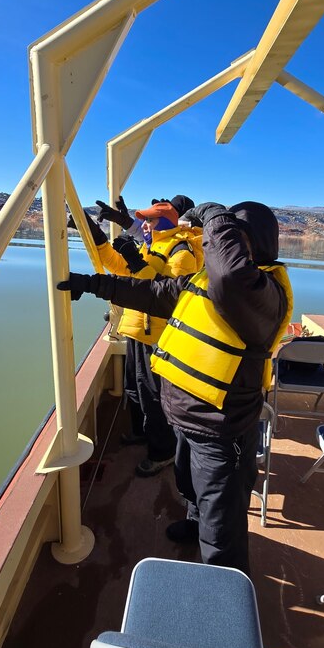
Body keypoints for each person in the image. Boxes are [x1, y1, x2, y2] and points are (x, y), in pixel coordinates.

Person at [58, 201, 293, 574]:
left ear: (253, 244)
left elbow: (231, 275)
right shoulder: (206, 282)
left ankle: (224, 604)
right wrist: (94, 285)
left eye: (230, 237)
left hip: (222, 430)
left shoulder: (261, 293)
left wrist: (216, 215)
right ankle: (193, 522)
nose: (216, 246)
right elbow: (154, 294)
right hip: (187, 419)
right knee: (190, 487)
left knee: (222, 533)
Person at [79, 197, 201, 478]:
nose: (144, 224)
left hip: (158, 335)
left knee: (153, 397)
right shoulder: (151, 245)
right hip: (136, 328)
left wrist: (135, 262)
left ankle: (163, 451)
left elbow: (165, 296)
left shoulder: (181, 253)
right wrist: (96, 237)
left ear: (167, 222)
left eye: (149, 220)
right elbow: (120, 268)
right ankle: (140, 432)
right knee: (134, 388)